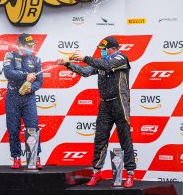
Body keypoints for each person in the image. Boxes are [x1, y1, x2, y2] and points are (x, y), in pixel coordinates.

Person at [56, 36, 136, 188]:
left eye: (104, 49)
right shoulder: (101, 61)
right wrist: (68, 63)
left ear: (113, 49)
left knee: (125, 138)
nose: (102, 52)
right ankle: (97, 172)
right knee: (100, 138)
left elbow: (106, 65)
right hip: (105, 105)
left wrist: (85, 57)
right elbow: (86, 71)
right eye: (101, 50)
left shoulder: (121, 58)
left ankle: (130, 173)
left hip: (120, 102)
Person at [3, 33, 43, 169]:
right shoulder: (10, 55)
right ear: (20, 45)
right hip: (12, 98)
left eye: (32, 45)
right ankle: (16, 158)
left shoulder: (36, 60)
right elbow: (8, 73)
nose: (31, 48)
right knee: (13, 129)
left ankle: (35, 158)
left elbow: (40, 81)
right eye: (28, 46)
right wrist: (26, 76)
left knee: (33, 128)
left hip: (28, 99)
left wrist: (31, 88)